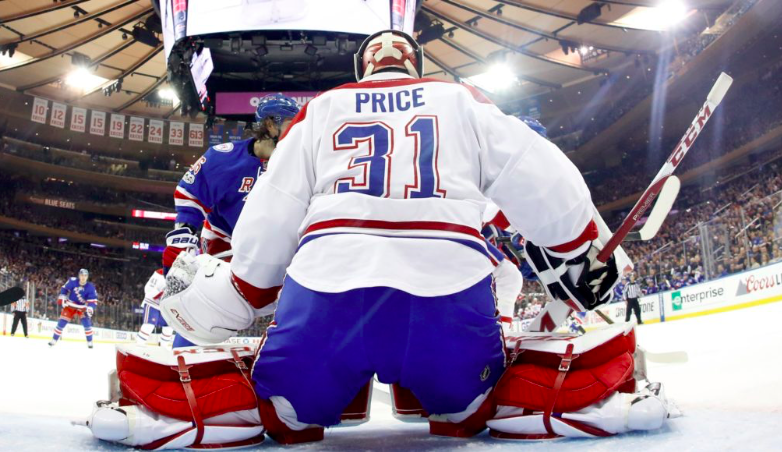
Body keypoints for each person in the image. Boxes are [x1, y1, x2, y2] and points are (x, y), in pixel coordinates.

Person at [85, 30, 673, 448]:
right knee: (469, 410)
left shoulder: (322, 110)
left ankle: (164, 413)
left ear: (366, 67)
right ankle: (594, 397)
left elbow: (271, 212)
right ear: (414, 66)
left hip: (326, 297)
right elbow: (538, 171)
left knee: (284, 414)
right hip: (448, 297)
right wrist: (586, 249)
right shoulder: (460, 98)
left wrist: (241, 290)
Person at [163, 93, 300, 348]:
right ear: (270, 125)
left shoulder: (300, 164)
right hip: (224, 245)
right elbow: (191, 194)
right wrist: (182, 240)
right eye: (292, 124)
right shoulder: (223, 158)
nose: (299, 131)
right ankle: (185, 355)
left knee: (298, 310)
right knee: (204, 306)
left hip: (279, 250)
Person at [49, 269, 98, 348]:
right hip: (70, 305)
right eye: (82, 275)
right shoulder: (72, 281)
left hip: (82, 307)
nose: (83, 277)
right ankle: (54, 340)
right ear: (79, 275)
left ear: (87, 277)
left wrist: (90, 308)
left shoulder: (90, 287)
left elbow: (93, 300)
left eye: (85, 276)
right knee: (61, 323)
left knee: (87, 324)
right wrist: (63, 297)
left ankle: (89, 341)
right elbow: (64, 289)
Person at [135, 269, 173, 347]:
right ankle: (139, 344)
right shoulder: (160, 273)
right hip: (152, 303)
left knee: (169, 327)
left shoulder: (180, 276)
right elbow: (148, 288)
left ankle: (164, 347)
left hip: (165, 306)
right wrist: (160, 294)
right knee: (149, 325)